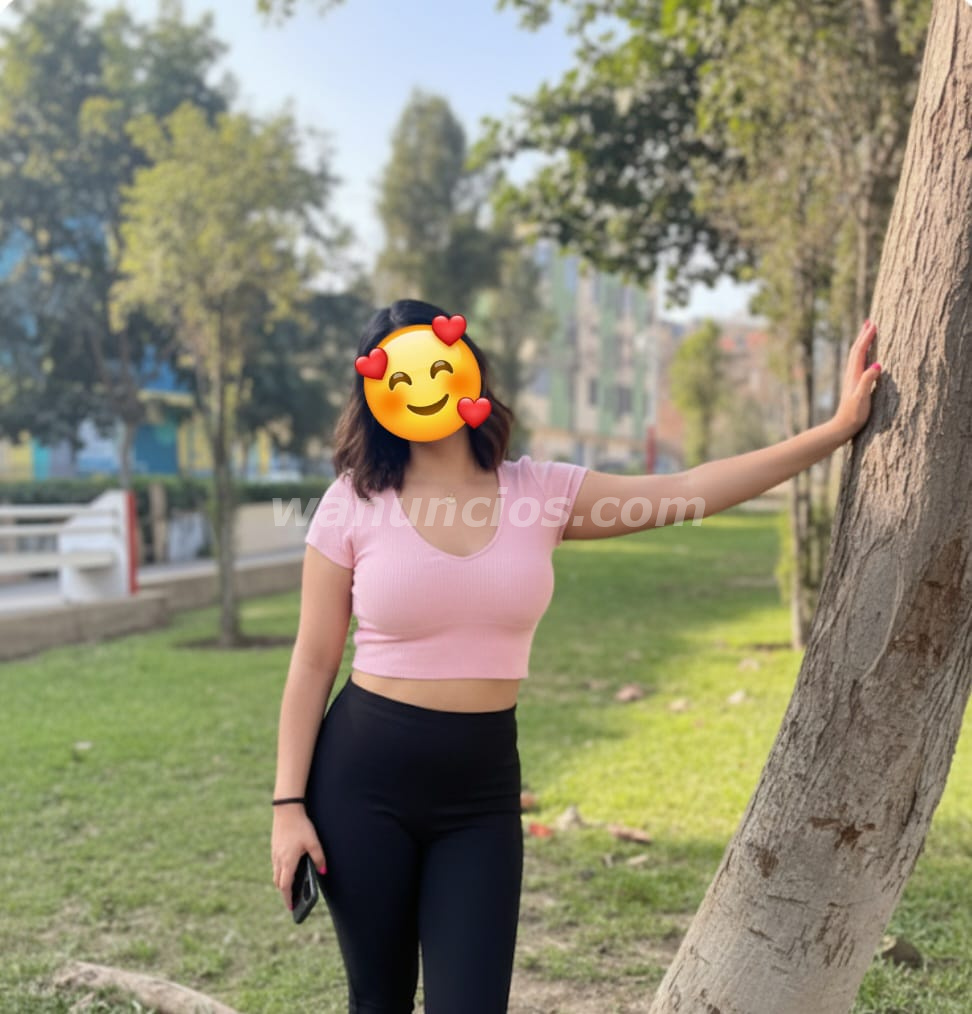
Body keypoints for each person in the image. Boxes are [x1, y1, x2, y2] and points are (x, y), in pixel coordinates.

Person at [270, 299, 881, 1013]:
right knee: (378, 1002)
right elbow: (313, 661)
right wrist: (288, 806)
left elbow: (687, 491)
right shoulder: (351, 502)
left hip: (479, 794)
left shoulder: (539, 494)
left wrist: (835, 430)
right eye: (399, 376)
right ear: (374, 392)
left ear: (466, 368)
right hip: (360, 785)